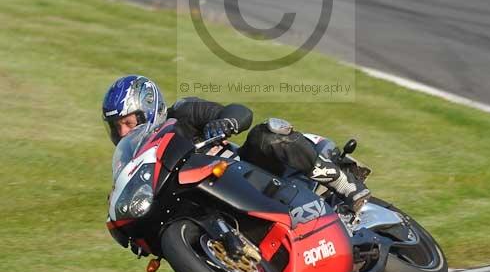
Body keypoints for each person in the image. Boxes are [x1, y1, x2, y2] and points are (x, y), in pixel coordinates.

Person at [102, 75, 370, 212]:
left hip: (244, 172)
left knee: (266, 135)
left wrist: (225, 122)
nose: (124, 131)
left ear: (149, 107)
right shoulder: (135, 158)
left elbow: (239, 111)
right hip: (205, 201)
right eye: (118, 127)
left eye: (128, 121)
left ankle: (343, 183)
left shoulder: (182, 113)